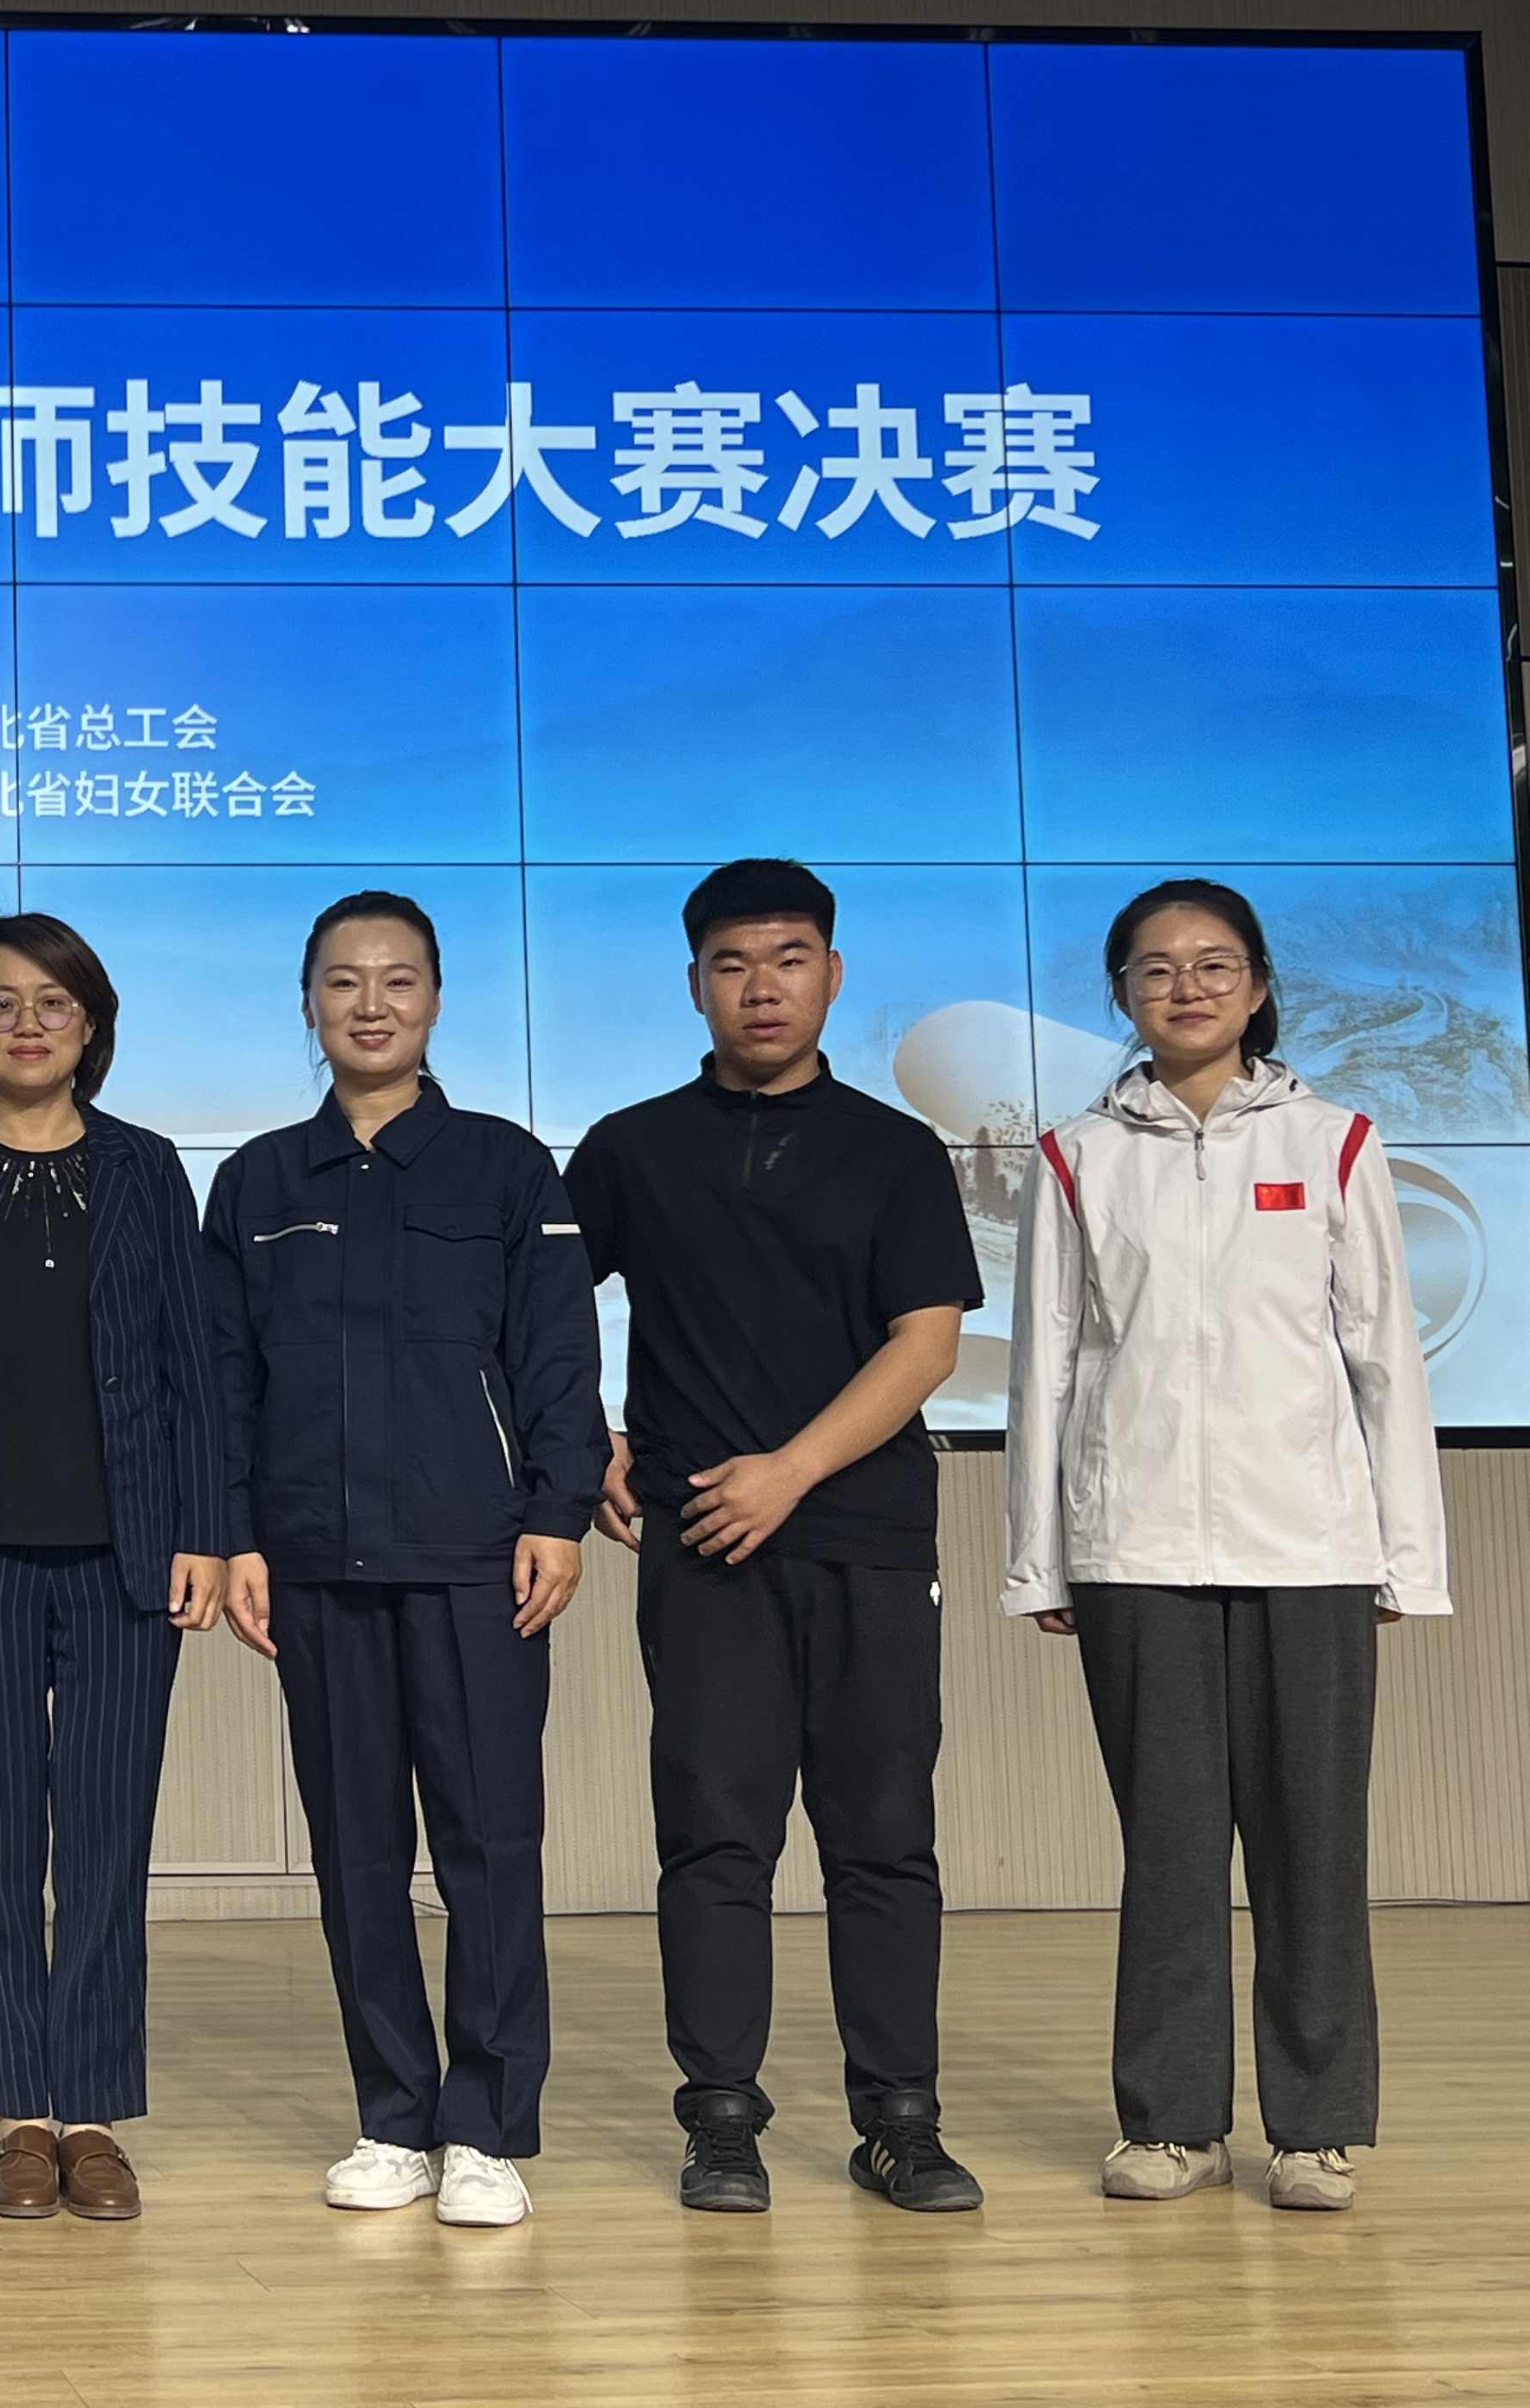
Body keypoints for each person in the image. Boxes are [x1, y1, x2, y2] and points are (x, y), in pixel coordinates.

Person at [1005, 878, 1449, 2212]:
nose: (1185, 987)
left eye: (1213, 965)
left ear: (1257, 988)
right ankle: (1171, 2123)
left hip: (1308, 1547)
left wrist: (1403, 1559)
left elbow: (1386, 1362)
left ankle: (1318, 2127)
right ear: (1122, 995)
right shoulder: (1079, 1155)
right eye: (1155, 969)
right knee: (1171, 1852)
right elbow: (1046, 1371)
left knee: (1316, 1847)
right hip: (1136, 1550)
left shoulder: (1335, 1141)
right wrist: (1042, 1556)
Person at [565, 858, 987, 2217]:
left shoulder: (894, 1151)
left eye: (790, 959)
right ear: (695, 983)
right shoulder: (630, 1147)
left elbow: (927, 1341)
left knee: (883, 1836)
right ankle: (722, 2121)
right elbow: (538, 1307)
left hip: (866, 1534)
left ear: (834, 976)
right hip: (703, 1542)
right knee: (714, 1835)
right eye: (734, 963)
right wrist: (586, 1439)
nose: (763, 986)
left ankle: (900, 2124)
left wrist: (791, 1471)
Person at [203, 890, 605, 2230]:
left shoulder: (505, 1168)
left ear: (435, 999)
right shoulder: (260, 1182)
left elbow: (557, 1355)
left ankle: (486, 2129)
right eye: (343, 981)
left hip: (477, 1558)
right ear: (307, 1003)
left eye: (397, 980)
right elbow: (225, 1380)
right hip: (314, 1560)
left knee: (490, 1844)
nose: (369, 1005)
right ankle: (393, 2119)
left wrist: (555, 1512)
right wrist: (237, 1533)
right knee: (356, 1851)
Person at [0, 913, 228, 2225]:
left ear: (93, 1024)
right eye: (1, 1003)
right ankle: (22, 2112)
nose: (28, 1024)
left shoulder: (147, 1167)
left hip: (129, 1557)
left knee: (110, 1845)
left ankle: (95, 2114)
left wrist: (203, 1528)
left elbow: (193, 1363)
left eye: (54, 1003)